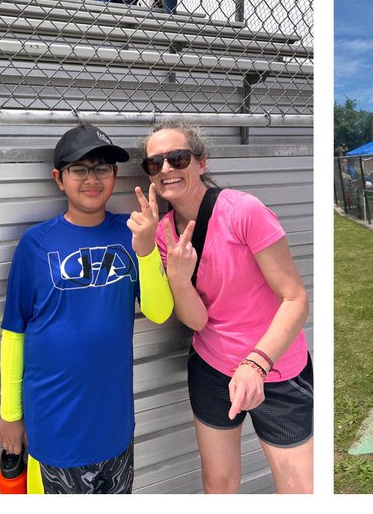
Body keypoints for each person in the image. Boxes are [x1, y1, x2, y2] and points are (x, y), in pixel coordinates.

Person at [0, 124, 173, 493]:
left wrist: (146, 249)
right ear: (58, 179)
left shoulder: (131, 233)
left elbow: (159, 311)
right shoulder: (36, 243)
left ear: (115, 176)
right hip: (55, 431)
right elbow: (15, 331)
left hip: (114, 428)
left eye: (102, 169)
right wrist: (10, 416)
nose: (91, 179)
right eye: (79, 169)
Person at [145, 121, 311, 493]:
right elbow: (196, 319)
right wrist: (178, 276)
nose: (167, 169)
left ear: (200, 163)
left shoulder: (244, 211)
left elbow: (295, 298)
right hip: (212, 367)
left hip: (275, 368)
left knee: (299, 490)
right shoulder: (164, 233)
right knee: (219, 485)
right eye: (155, 164)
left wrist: (256, 364)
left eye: (177, 158)